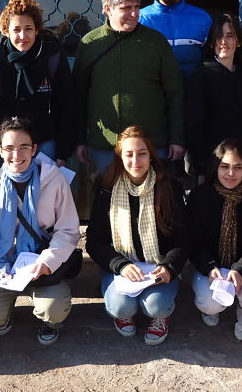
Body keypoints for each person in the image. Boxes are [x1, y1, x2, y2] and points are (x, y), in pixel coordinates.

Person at [0, 117, 80, 345]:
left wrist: (48, 261)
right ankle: (5, 307)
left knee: (54, 310)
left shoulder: (55, 179)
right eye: (9, 148)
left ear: (34, 149)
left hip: (41, 261)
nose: (16, 155)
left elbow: (67, 230)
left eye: (23, 147)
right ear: (0, 151)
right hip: (4, 262)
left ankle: (51, 322)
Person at [73, 0, 185, 176]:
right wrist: (79, 139)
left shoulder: (155, 43)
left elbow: (175, 93)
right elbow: (78, 96)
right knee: (106, 204)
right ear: (107, 9)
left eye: (136, 7)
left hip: (150, 146)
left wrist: (177, 138)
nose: (134, 14)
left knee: (153, 205)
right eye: (126, 8)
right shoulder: (90, 44)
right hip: (104, 148)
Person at [86, 126, 188, 345]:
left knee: (156, 306)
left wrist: (170, 267)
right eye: (128, 154)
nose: (135, 161)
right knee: (121, 307)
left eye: (142, 153)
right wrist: (120, 264)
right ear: (119, 157)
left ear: (151, 155)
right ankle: (125, 313)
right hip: (123, 268)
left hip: (158, 265)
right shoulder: (107, 189)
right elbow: (94, 241)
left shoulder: (168, 187)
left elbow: (182, 237)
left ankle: (162, 317)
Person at [187, 140, 242, 340]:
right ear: (215, 168)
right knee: (208, 304)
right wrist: (209, 267)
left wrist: (240, 269)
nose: (230, 173)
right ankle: (211, 310)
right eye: (224, 167)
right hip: (210, 267)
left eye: (238, 167)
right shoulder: (200, 197)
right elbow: (193, 241)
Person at [0, 0, 75, 164]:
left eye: (28, 29)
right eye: (16, 30)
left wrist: (63, 152)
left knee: (46, 190)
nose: (23, 36)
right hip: (11, 145)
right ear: (6, 30)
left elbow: (66, 103)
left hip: (45, 141)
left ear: (37, 29)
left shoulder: (51, 54)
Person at [186, 14, 242, 178]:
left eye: (230, 36)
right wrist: (201, 163)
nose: (223, 42)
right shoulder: (202, 75)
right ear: (211, 42)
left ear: (238, 41)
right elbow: (194, 124)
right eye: (218, 36)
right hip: (213, 161)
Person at [139, 0, 213, 80]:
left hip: (192, 92)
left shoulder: (202, 18)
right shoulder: (139, 18)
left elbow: (214, 60)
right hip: (154, 93)